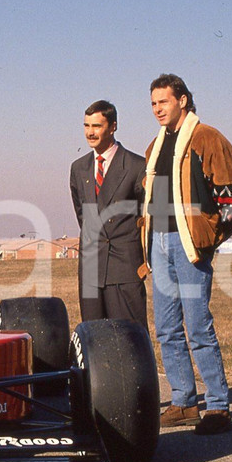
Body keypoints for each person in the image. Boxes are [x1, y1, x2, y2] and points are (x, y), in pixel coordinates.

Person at [140, 74, 232, 435]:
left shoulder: (207, 137)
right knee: (167, 328)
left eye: (163, 102)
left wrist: (208, 238)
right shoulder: (155, 144)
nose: (157, 109)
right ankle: (184, 402)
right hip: (158, 241)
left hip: (189, 245)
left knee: (198, 326)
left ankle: (217, 406)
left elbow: (231, 195)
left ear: (182, 100)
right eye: (153, 103)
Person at [69, 100, 148, 328]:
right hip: (91, 267)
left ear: (113, 127)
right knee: (95, 341)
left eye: (97, 126)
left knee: (129, 339)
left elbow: (149, 216)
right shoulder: (78, 168)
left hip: (124, 267)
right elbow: (83, 214)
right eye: (86, 126)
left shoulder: (137, 166)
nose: (90, 133)